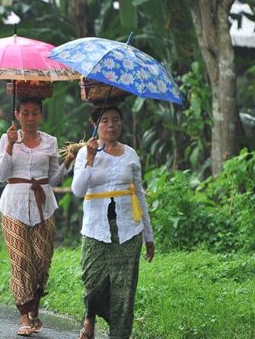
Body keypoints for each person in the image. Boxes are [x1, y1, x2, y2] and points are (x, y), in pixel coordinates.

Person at [70, 106, 155, 339]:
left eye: (115, 120)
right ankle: (90, 315)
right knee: (92, 282)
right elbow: (78, 190)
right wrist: (89, 158)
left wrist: (149, 236)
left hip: (128, 230)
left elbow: (139, 195)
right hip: (95, 229)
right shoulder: (85, 154)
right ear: (95, 125)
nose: (111, 125)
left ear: (121, 123)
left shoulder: (130, 154)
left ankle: (118, 335)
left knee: (124, 292)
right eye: (105, 120)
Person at [0, 98, 75, 337]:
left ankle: (34, 308)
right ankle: (23, 315)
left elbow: (54, 178)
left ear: (40, 115)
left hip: (44, 205)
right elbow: (1, 175)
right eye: (26, 113)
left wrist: (68, 161)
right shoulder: (7, 138)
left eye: (35, 113)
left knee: (41, 260)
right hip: (13, 205)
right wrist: (9, 146)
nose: (30, 118)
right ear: (17, 114)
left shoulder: (50, 142)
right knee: (20, 259)